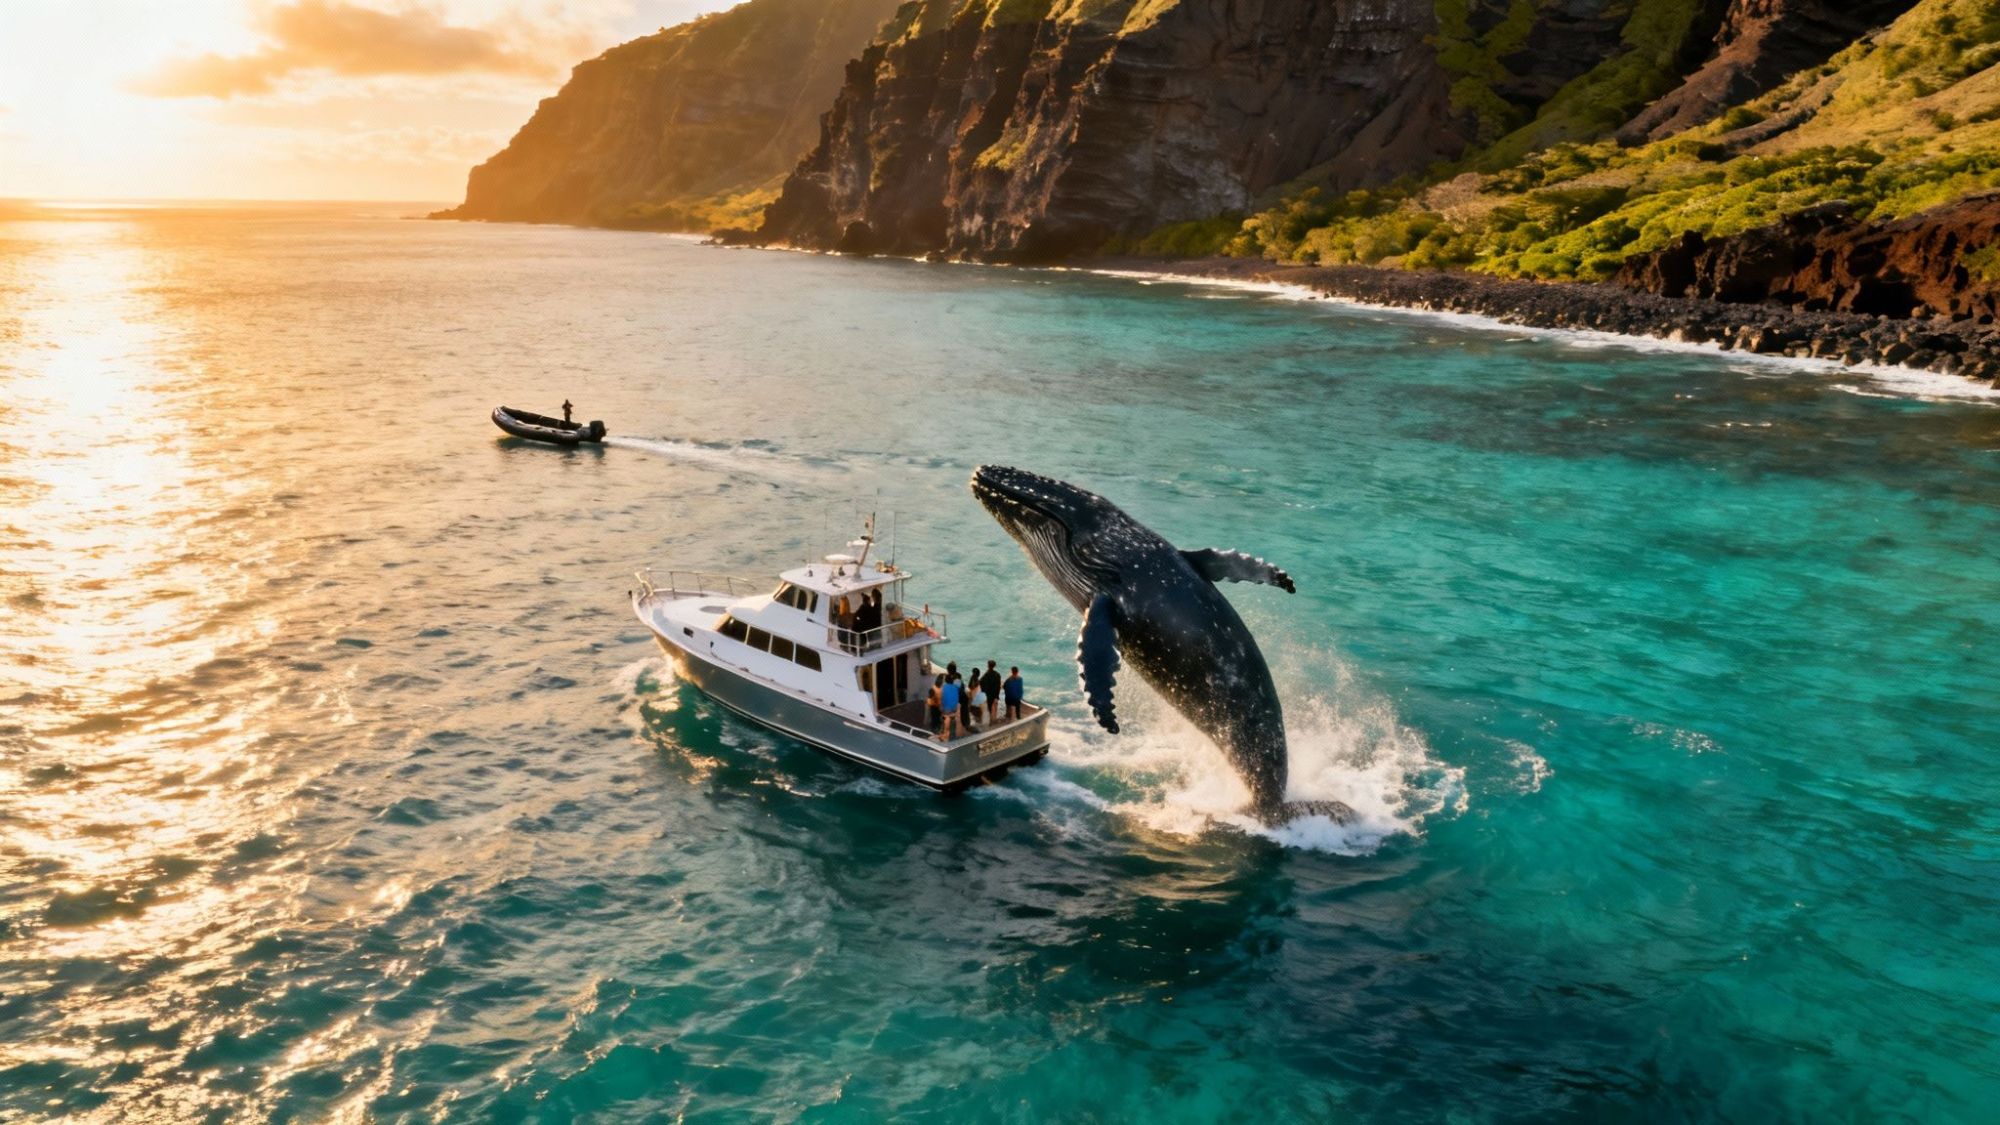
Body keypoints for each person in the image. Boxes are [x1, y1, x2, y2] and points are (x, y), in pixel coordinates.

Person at [938, 674, 961, 742]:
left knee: (945, 716)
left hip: (948, 710)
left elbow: (942, 699)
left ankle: (945, 734)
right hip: (955, 709)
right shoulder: (956, 687)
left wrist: (941, 707)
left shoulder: (944, 687)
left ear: (946, 680)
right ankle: (946, 732)